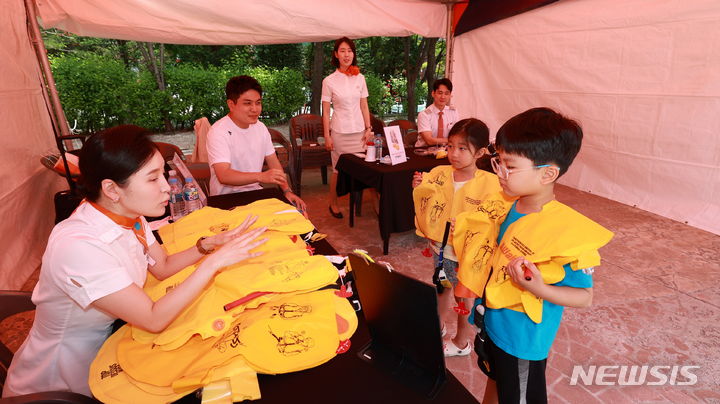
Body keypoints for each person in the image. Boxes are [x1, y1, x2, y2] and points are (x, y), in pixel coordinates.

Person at [2, 125, 268, 398]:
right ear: (112, 189)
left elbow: (162, 267)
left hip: (112, 343)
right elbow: (153, 319)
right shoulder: (79, 246)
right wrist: (214, 264)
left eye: (162, 175)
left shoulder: (127, 214)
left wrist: (206, 246)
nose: (166, 188)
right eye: (153, 179)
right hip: (66, 380)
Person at [468, 108, 613, 403]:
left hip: (522, 340)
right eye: (499, 162)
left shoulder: (566, 233)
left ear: (547, 173)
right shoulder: (507, 205)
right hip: (492, 321)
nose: (500, 173)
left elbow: (583, 297)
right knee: (496, 380)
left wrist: (538, 288)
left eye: (510, 166)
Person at [411, 118, 501, 357]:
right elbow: (427, 204)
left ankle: (462, 342)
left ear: (480, 152)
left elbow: (493, 220)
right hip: (440, 249)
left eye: (463, 148)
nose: (454, 153)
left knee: (464, 295)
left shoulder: (490, 184)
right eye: (450, 146)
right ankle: (437, 325)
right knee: (441, 286)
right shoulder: (439, 173)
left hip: (465, 254)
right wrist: (418, 188)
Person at [207, 75, 306, 214]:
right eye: (247, 103)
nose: (255, 109)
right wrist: (261, 176)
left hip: (255, 194)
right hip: (225, 200)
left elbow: (273, 162)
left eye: (258, 103)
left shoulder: (260, 127)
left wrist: (287, 190)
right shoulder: (218, 131)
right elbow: (224, 175)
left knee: (296, 217)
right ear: (231, 104)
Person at [322, 37, 374, 219]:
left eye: (350, 50)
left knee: (365, 168)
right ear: (336, 55)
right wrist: (327, 136)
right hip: (340, 133)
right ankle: (333, 203)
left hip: (360, 133)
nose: (346, 54)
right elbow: (326, 110)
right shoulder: (329, 81)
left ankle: (370, 204)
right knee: (338, 169)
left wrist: (368, 128)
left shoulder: (360, 78)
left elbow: (364, 106)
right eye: (342, 51)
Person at [415, 78, 459, 148]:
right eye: (440, 93)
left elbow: (457, 135)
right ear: (433, 93)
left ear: (450, 95)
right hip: (424, 151)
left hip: (445, 151)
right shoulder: (424, 115)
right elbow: (429, 141)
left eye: (446, 93)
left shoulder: (453, 112)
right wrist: (451, 140)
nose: (443, 97)